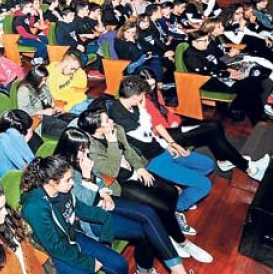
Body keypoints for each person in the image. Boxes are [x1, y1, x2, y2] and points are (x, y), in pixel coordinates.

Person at [76, 108, 213, 262]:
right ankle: (181, 241)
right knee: (162, 207)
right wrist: (113, 142)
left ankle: (169, 227)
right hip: (118, 183)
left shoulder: (117, 129)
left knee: (171, 192)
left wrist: (140, 168)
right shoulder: (91, 147)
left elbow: (129, 151)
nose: (112, 121)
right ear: (98, 128)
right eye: (107, 120)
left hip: (135, 171)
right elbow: (112, 171)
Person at [55, 129, 190, 274]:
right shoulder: (62, 171)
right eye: (82, 149)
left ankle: (174, 268)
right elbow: (81, 204)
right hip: (91, 219)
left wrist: (105, 193)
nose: (87, 151)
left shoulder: (81, 158)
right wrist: (86, 177)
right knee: (146, 231)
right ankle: (148, 270)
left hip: (103, 200)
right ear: (70, 149)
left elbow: (99, 178)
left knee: (149, 212)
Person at [133, 67, 270, 181]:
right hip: (162, 135)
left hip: (171, 127)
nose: (151, 87)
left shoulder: (154, 92)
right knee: (210, 128)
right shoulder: (139, 99)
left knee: (214, 125)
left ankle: (224, 161)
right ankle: (249, 168)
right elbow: (155, 125)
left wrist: (174, 120)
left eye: (153, 83)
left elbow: (165, 110)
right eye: (148, 85)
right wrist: (172, 139)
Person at [20, 156, 129, 274]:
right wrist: (87, 262)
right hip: (55, 255)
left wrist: (106, 221)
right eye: (67, 180)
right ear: (52, 182)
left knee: (121, 265)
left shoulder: (62, 191)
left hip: (72, 238)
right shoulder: (35, 207)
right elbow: (55, 247)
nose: (72, 183)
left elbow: (82, 209)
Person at [184, 30, 273, 122]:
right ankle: (257, 117)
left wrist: (229, 69)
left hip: (220, 75)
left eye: (207, 39)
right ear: (194, 42)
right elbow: (207, 73)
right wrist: (229, 75)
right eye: (204, 41)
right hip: (207, 81)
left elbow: (218, 62)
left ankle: (238, 109)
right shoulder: (190, 55)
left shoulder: (206, 48)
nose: (207, 42)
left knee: (254, 80)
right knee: (249, 85)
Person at [16, 64, 71, 138]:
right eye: (43, 80)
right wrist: (42, 112)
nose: (45, 82)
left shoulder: (42, 85)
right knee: (69, 130)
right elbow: (23, 111)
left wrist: (55, 106)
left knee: (75, 120)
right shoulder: (24, 90)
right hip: (41, 120)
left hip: (52, 113)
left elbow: (49, 99)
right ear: (35, 80)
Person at [0, 110, 36, 181]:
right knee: (2, 137)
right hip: (0, 178)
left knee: (12, 132)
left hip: (15, 171)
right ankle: (31, 170)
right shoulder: (0, 138)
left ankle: (35, 165)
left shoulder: (11, 133)